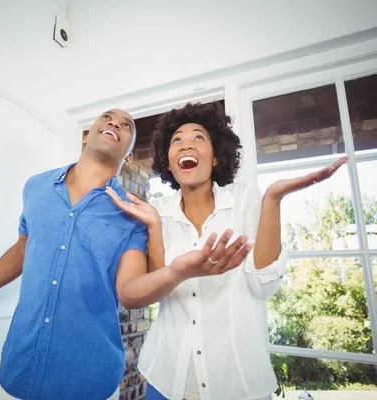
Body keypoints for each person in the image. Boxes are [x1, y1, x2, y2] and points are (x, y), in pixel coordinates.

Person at [0, 109, 253, 400]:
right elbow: (23, 247)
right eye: (107, 117)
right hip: (16, 373)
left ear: (130, 156)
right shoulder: (35, 187)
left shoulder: (132, 215)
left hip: (90, 380)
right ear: (85, 136)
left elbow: (130, 292)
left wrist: (177, 270)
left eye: (127, 125)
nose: (114, 123)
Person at [105, 102, 347, 400]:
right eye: (176, 140)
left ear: (217, 157)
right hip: (164, 380)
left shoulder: (245, 199)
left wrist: (273, 199)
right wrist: (157, 231)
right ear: (168, 162)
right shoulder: (157, 212)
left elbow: (263, 286)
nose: (185, 145)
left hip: (237, 384)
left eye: (198, 138)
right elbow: (155, 290)